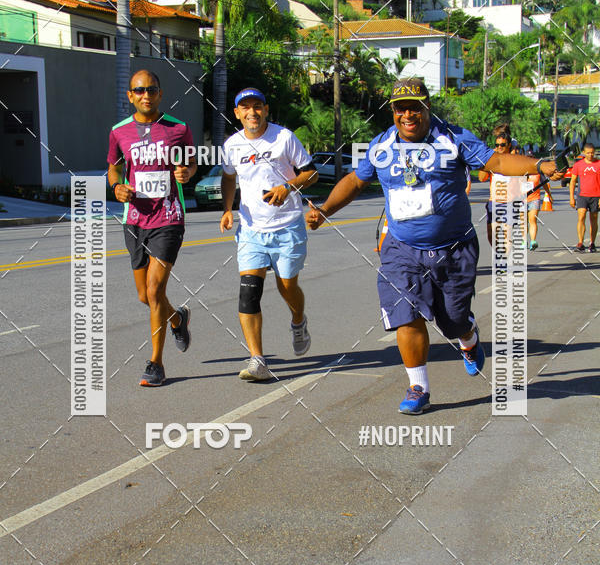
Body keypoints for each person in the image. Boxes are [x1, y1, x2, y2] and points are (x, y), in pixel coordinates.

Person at [306, 77, 563, 414]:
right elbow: (356, 181)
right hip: (401, 248)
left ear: (427, 106)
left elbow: (497, 163)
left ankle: (468, 336)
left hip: (454, 248)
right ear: (392, 112)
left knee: (453, 320)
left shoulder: (453, 138)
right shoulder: (382, 145)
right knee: (405, 315)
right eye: (400, 108)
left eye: (414, 107)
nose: (407, 115)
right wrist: (325, 210)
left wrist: (537, 165)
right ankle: (418, 387)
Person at [220, 87, 318, 381]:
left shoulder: (284, 137)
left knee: (287, 286)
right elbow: (229, 177)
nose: (252, 112)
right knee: (248, 292)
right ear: (237, 113)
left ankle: (298, 321)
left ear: (265, 110)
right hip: (252, 230)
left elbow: (311, 173)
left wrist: (287, 187)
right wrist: (227, 209)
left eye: (257, 106)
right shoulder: (232, 145)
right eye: (245, 107)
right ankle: (258, 360)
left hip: (287, 226)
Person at [107, 69, 196, 386]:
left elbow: (191, 163)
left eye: (152, 89)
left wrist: (186, 173)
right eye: (140, 90)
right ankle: (177, 318)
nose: (146, 95)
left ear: (160, 93)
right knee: (145, 296)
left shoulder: (178, 129)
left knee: (156, 290)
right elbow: (114, 168)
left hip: (168, 218)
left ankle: (156, 363)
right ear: (130, 95)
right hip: (134, 220)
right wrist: (117, 187)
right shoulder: (119, 132)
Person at [478, 123, 512, 247]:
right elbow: (481, 178)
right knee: (492, 235)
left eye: (502, 145)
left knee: (508, 235)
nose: (499, 147)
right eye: (497, 145)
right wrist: (488, 159)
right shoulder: (492, 159)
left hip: (510, 201)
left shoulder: (514, 158)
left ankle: (506, 259)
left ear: (509, 145)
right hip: (494, 202)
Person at [569, 142, 600, 252]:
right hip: (582, 195)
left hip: (596, 196)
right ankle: (580, 243)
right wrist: (571, 197)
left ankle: (592, 243)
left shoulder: (598, 163)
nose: (590, 155)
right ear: (583, 152)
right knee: (581, 217)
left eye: (592, 153)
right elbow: (573, 181)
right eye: (588, 153)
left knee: (594, 219)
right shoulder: (578, 165)